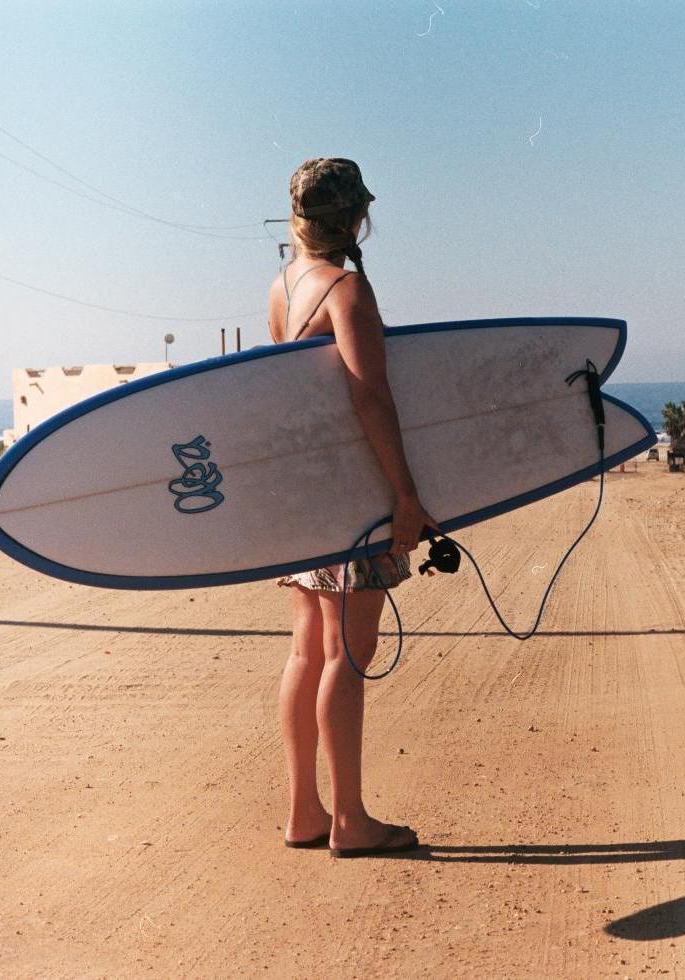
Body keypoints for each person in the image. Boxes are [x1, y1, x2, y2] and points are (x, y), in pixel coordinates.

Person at [268, 158, 438, 858]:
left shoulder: (283, 287)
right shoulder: (348, 289)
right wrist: (405, 495)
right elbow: (371, 396)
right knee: (348, 652)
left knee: (308, 649)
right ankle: (351, 820)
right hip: (355, 501)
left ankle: (305, 811)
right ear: (357, 216)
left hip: (308, 500)